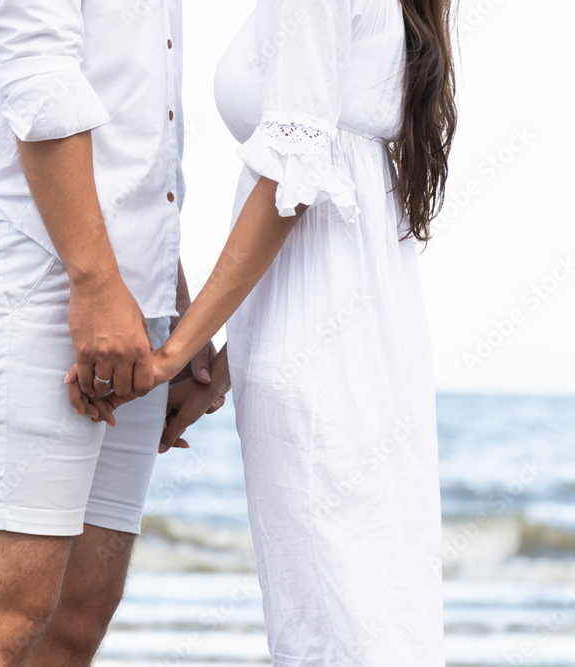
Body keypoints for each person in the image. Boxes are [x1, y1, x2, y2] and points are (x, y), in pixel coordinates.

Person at [70, 0, 457, 663]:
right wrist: (215, 367)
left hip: (320, 355)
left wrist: (171, 355)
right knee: (365, 605)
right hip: (361, 341)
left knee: (336, 620)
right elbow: (317, 197)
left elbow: (292, 177)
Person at [0, 1, 218, 664]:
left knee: (78, 613)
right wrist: (97, 286)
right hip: (27, 258)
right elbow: (37, 69)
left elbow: (134, 130)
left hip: (121, 282)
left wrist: (174, 307)